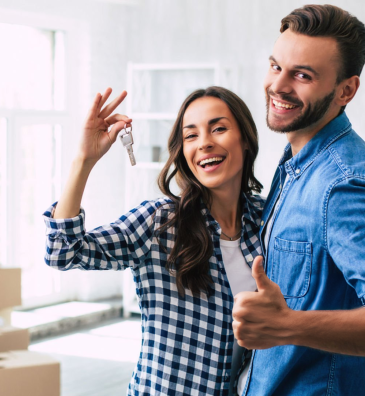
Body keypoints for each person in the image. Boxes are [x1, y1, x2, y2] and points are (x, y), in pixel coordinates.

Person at [231, 5, 365, 395]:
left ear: (346, 90)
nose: (278, 86)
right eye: (276, 67)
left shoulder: (343, 183)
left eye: (302, 75)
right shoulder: (296, 161)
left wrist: (287, 325)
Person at [44, 86, 266, 395]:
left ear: (245, 138)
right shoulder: (158, 223)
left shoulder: (267, 221)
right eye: (191, 136)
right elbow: (63, 252)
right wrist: (84, 160)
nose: (204, 143)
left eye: (218, 128)